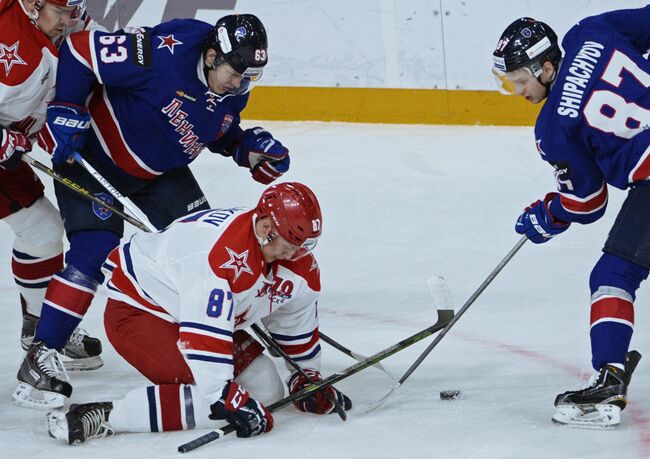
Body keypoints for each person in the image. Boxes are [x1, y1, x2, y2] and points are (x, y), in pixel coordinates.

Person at [14, 12, 292, 410]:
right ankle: (41, 355)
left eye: (251, 77)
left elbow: (212, 125)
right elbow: (79, 51)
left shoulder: (234, 85)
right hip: (92, 157)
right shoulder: (164, 54)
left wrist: (245, 149)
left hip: (161, 171)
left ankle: (221, 331)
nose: (241, 84)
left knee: (211, 250)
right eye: (236, 72)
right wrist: (68, 106)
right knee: (94, 251)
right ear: (211, 55)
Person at [46, 182, 351, 445]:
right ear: (267, 228)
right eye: (291, 245)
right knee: (217, 400)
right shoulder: (220, 256)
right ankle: (108, 415)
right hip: (140, 313)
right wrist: (223, 396)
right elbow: (203, 338)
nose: (297, 255)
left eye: (304, 246)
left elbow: (293, 320)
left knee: (267, 390)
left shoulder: (295, 261)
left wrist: (305, 375)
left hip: (192, 313)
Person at [492, 7, 650, 429]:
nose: (519, 90)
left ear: (546, 67)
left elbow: (588, 202)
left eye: (521, 80)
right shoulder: (591, 31)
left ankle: (610, 377)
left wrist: (548, 213)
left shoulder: (553, 129)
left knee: (614, 275)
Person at [1, 0, 106, 395]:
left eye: (73, 9)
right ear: (32, 4)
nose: (68, 20)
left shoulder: (68, 27)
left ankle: (38, 328)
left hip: (5, 157)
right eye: (60, 11)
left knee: (43, 232)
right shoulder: (8, 36)